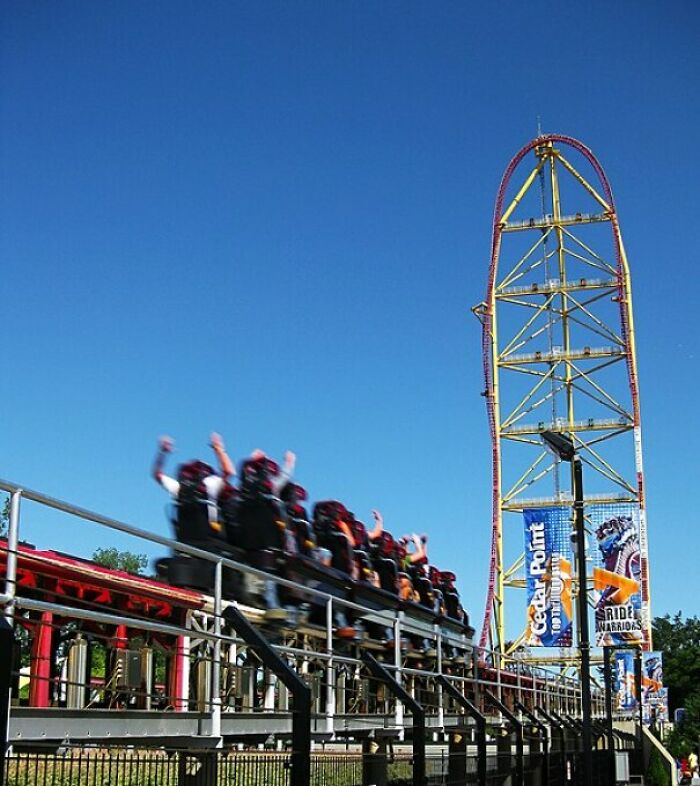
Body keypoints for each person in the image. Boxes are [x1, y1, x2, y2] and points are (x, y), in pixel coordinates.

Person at [152, 433, 234, 540]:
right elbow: (229, 471)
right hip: (210, 539)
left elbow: (157, 474)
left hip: (184, 538)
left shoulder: (178, 487)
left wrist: (162, 452)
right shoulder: (209, 484)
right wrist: (218, 448)